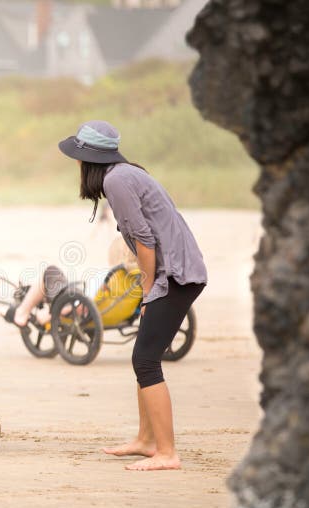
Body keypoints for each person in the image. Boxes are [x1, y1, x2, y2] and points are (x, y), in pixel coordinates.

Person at [58, 120, 207, 472]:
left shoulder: (116, 180)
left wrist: (148, 290)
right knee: (146, 355)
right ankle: (146, 440)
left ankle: (167, 452)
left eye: (79, 159)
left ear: (89, 159)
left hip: (178, 275)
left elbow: (144, 240)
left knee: (145, 360)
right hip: (179, 270)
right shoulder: (123, 175)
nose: (77, 165)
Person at [1, 236, 138, 328]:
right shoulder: (140, 279)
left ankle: (22, 313)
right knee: (55, 283)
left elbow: (86, 302)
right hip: (115, 315)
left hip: (79, 309)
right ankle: (32, 301)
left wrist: (60, 310)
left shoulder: (110, 275)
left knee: (50, 271)